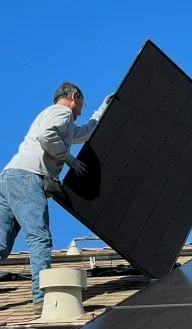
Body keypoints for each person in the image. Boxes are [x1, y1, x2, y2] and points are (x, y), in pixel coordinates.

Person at [0, 82, 113, 315]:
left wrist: (102, 110)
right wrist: (68, 159)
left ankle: (40, 295)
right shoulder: (61, 112)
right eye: (82, 103)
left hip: (11, 177)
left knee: (1, 245)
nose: (81, 109)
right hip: (27, 177)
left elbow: (82, 133)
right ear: (74, 96)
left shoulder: (59, 119)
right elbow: (46, 135)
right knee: (39, 238)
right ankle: (42, 299)